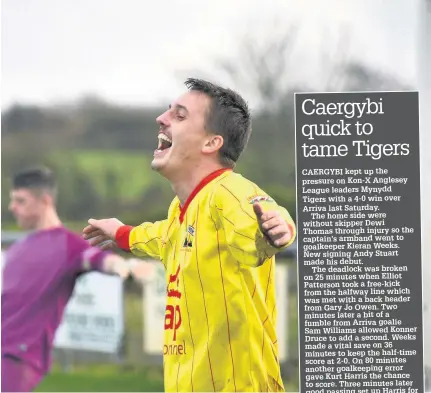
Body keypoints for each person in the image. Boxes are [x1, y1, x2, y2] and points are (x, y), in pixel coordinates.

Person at [83, 78, 296, 392]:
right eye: (168, 111)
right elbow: (162, 236)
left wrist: (276, 230)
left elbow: (258, 223)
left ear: (211, 143)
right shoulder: (181, 210)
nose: (162, 118)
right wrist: (123, 234)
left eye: (179, 116)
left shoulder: (229, 191)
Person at [1, 166, 134, 392]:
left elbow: (102, 260)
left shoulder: (68, 245)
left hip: (19, 357)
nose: (12, 207)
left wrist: (126, 267)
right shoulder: (18, 249)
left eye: (20, 201)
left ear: (44, 201)